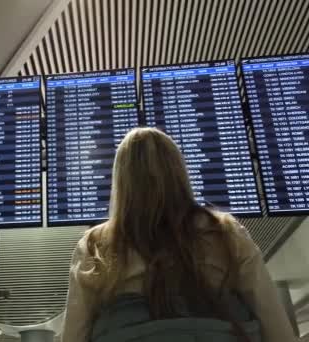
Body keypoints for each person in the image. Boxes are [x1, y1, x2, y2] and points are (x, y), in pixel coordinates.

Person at [61, 127, 296, 342]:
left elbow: (75, 334)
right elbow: (272, 318)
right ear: (179, 171)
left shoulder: (96, 243)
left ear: (121, 180)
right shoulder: (225, 231)